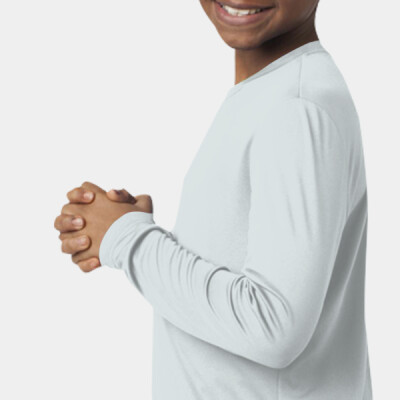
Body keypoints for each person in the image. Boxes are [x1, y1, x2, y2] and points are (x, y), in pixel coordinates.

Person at [54, 0, 373, 398]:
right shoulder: (277, 91)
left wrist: (130, 240)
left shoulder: (295, 107)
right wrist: (136, 232)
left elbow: (274, 326)